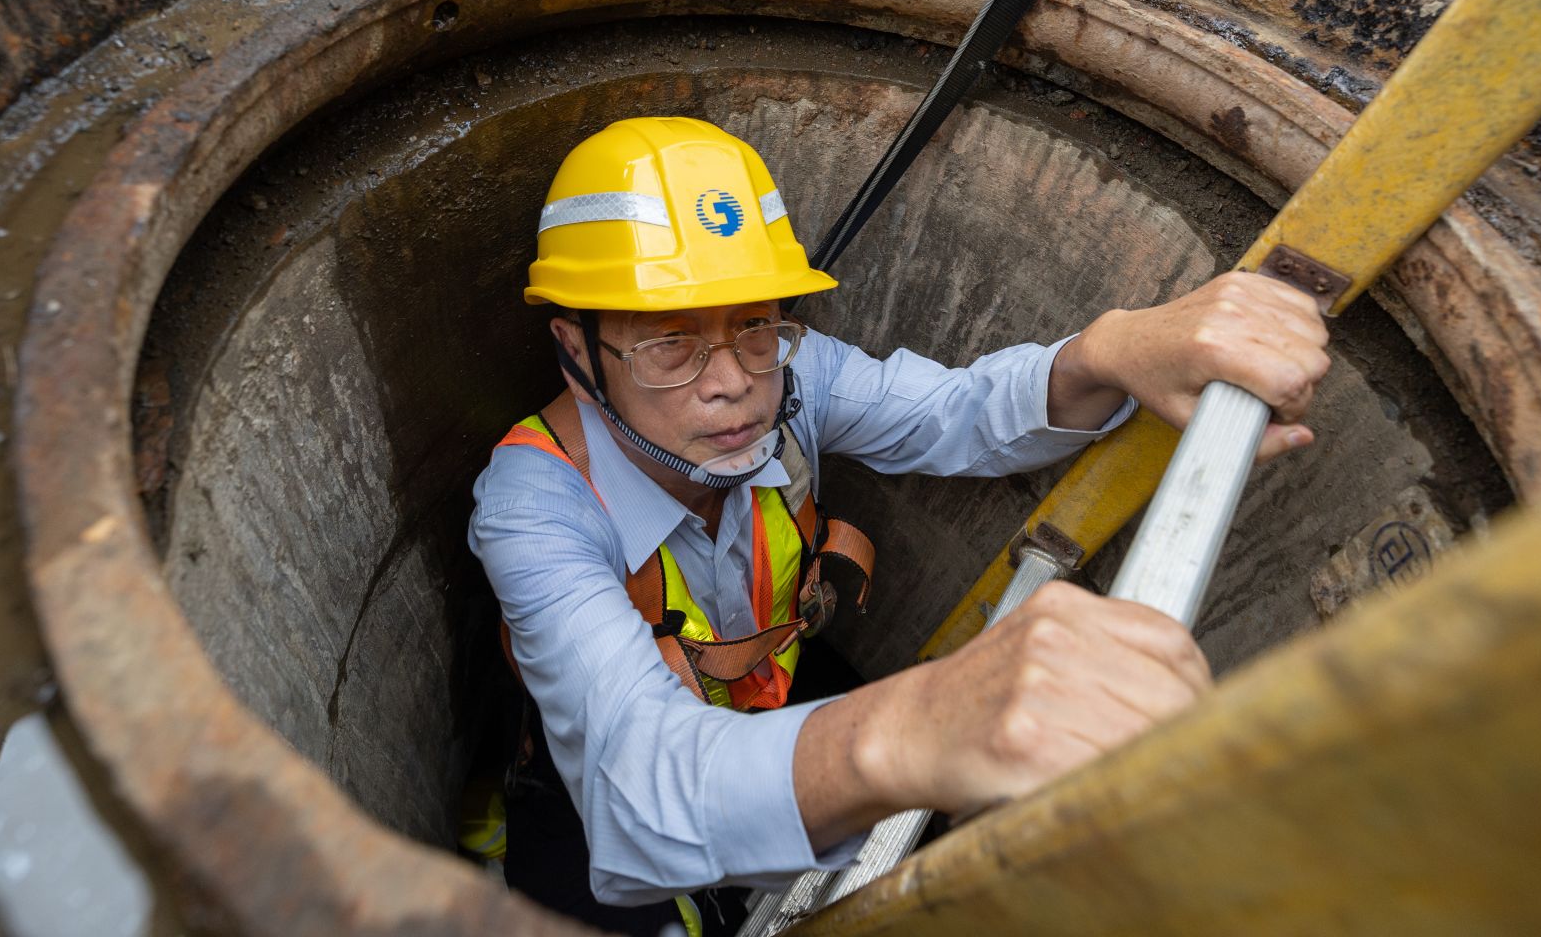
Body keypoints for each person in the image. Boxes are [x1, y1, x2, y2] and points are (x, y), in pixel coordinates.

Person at [469, 116, 1330, 935]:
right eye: (669, 343)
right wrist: (910, 728)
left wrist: (1107, 352)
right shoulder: (534, 507)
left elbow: (959, 414)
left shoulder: (792, 378)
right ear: (577, 352)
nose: (731, 382)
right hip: (600, 793)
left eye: (753, 325)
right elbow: (638, 780)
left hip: (769, 708)